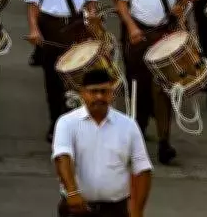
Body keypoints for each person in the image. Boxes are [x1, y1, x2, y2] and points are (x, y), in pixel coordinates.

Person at [117, 0, 192, 164]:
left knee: (164, 90)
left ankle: (164, 142)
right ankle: (135, 141)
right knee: (138, 90)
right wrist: (131, 28)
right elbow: (122, 2)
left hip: (165, 34)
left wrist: (179, 12)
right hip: (140, 32)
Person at [26, 0, 99, 140]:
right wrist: (34, 29)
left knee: (77, 76)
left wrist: (93, 19)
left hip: (76, 25)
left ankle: (75, 122)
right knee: (53, 78)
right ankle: (55, 122)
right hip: (50, 25)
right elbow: (33, 2)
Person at [52, 68, 152, 217]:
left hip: (115, 210)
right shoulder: (67, 123)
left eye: (104, 91)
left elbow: (143, 169)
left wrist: (138, 211)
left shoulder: (128, 125)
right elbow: (62, 157)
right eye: (93, 92)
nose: (99, 96)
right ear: (82, 94)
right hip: (78, 209)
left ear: (111, 94)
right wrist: (72, 192)